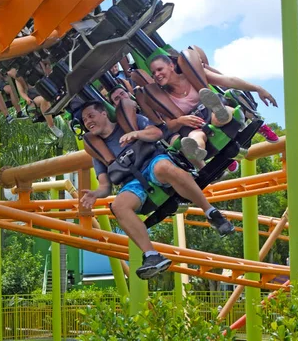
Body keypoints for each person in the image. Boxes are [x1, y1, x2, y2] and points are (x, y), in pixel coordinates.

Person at [79, 101, 235, 280]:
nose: (88, 121)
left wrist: (136, 133)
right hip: (132, 181)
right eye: (84, 120)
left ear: (104, 113)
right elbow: (105, 185)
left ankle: (211, 213)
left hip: (153, 163)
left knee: (163, 168)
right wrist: (95, 194)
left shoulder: (130, 120)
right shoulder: (97, 151)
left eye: (91, 116)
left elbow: (158, 132)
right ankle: (152, 256)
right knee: (118, 205)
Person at [148, 55, 278, 170]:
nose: (157, 75)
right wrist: (180, 120)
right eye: (153, 73)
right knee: (195, 136)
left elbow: (228, 81)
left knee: (218, 116)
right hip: (195, 124)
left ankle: (220, 111)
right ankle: (197, 150)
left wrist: (257, 88)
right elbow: (169, 125)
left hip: (212, 111)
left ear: (171, 65)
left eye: (160, 69)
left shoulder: (193, 75)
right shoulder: (162, 97)